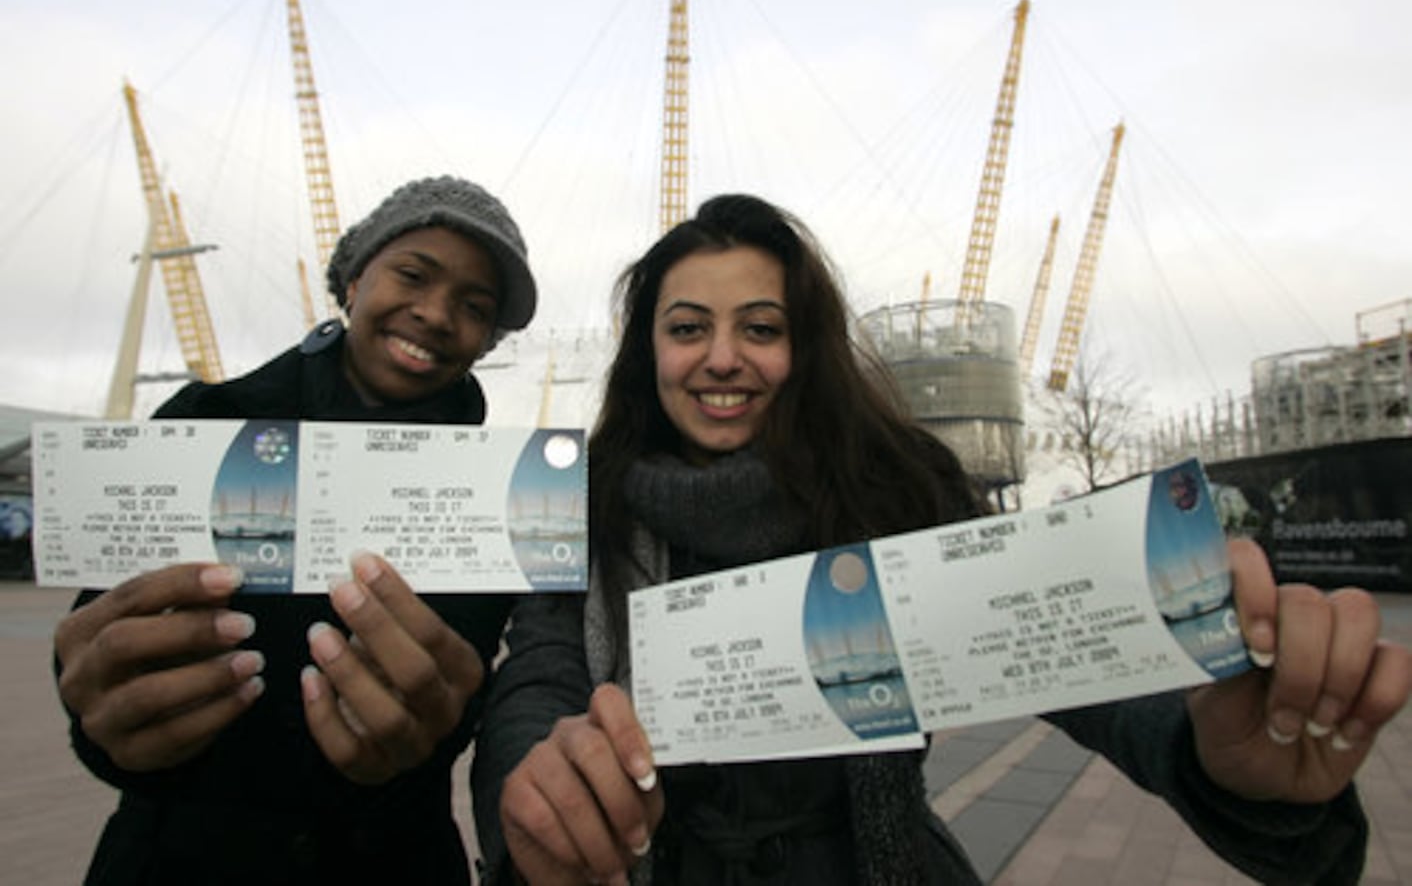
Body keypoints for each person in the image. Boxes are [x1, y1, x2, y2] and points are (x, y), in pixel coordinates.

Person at [470, 193, 1411, 885]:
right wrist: (533, 788)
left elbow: (1075, 661)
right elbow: (539, 675)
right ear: (649, 356)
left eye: (761, 327)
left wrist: (1220, 757)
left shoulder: (894, 493)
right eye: (688, 328)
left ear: (807, 351)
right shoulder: (590, 507)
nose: (723, 357)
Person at [55, 175, 537, 886]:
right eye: (412, 274)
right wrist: (104, 717)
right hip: (180, 859)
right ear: (350, 280)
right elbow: (101, 643)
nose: (436, 314)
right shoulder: (207, 421)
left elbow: (460, 698)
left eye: (475, 307)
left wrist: (426, 740)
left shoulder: (494, 501)